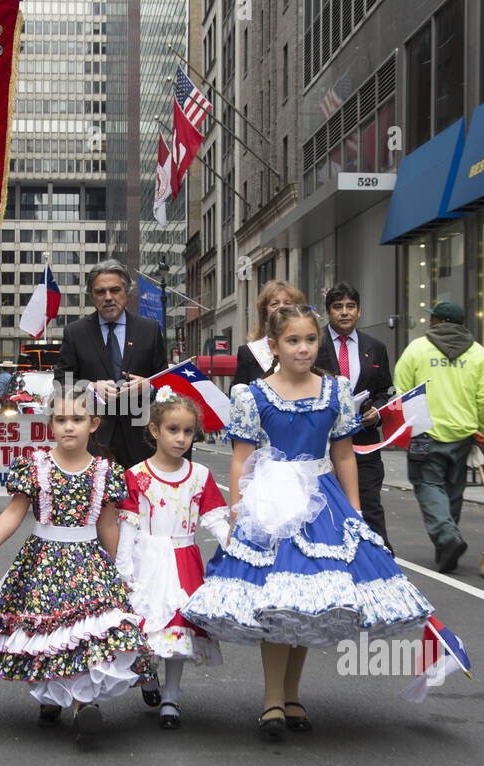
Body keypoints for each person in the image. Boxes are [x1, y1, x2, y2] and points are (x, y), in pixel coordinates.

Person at [182, 305, 435, 734]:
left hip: (323, 505)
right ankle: (272, 700)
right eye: (293, 341)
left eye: (310, 340)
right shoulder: (252, 395)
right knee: (279, 601)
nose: (303, 348)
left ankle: (293, 695)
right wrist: (240, 512)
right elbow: (242, 457)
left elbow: (342, 454)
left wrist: (355, 512)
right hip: (272, 507)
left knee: (308, 605)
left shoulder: (335, 391)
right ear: (275, 346)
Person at [0, 383, 154, 739]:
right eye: (61, 419)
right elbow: (14, 513)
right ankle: (51, 698)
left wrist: (113, 568)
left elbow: (108, 524)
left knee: (87, 631)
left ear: (93, 424)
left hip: (88, 561)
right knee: (49, 631)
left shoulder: (104, 471)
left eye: (77, 419)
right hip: (43, 560)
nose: (69, 426)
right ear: (50, 424)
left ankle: (83, 705)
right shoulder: (34, 466)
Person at [115, 390, 228, 728]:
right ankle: (147, 674)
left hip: (184, 560)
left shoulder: (200, 475)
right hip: (146, 560)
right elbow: (128, 525)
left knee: (178, 630)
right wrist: (123, 566)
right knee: (146, 625)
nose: (181, 438)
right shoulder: (136, 475)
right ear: (154, 431)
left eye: (188, 431)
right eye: (173, 430)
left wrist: (235, 545)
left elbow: (215, 519)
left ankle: (171, 696)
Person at [393, 301, 484, 573]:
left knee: (428, 484)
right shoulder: (478, 354)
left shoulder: (417, 349)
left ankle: (446, 536)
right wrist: (482, 431)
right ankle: (446, 547)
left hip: (425, 431)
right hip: (463, 433)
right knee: (453, 489)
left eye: (433, 318)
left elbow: (401, 390)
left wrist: (406, 426)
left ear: (438, 321)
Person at [54, 259, 169, 469]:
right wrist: (90, 388)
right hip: (93, 443)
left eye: (115, 290)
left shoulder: (149, 330)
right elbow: (61, 382)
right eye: (100, 292)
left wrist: (149, 387)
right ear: (91, 296)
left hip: (142, 442)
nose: (108, 297)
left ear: (127, 292)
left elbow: (168, 383)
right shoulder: (75, 333)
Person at [314, 282, 395, 550]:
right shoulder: (314, 346)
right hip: (323, 445)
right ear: (328, 312)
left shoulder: (376, 347)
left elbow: (384, 391)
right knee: (328, 509)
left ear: (359, 312)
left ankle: (382, 562)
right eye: (338, 307)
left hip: (365, 442)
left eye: (350, 307)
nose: (344, 312)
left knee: (370, 506)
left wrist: (378, 412)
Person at [233, 280, 308, 386]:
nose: (281, 308)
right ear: (264, 311)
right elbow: (238, 396)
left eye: (287, 303)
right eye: (274, 304)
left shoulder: (308, 349)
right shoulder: (249, 353)